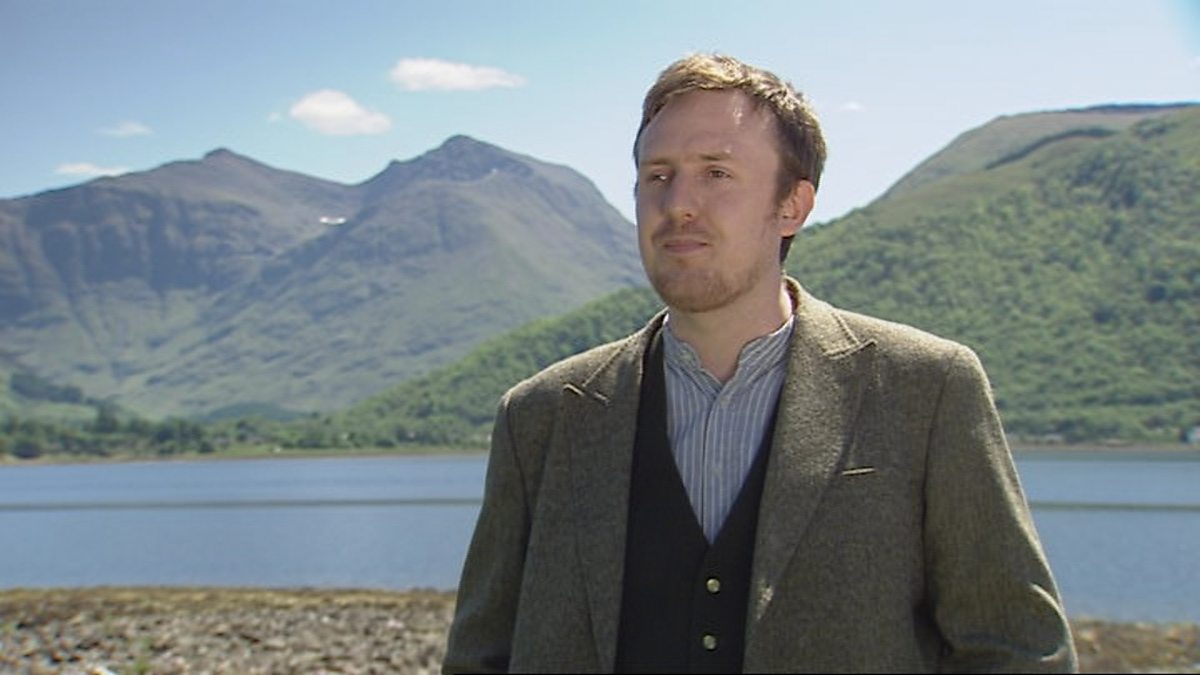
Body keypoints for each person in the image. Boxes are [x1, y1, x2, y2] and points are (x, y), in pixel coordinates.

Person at [443, 53, 1077, 673]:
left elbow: (1019, 649)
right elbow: (480, 657)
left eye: (716, 172)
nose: (678, 203)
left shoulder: (926, 388)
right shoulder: (542, 416)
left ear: (792, 205)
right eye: (658, 175)